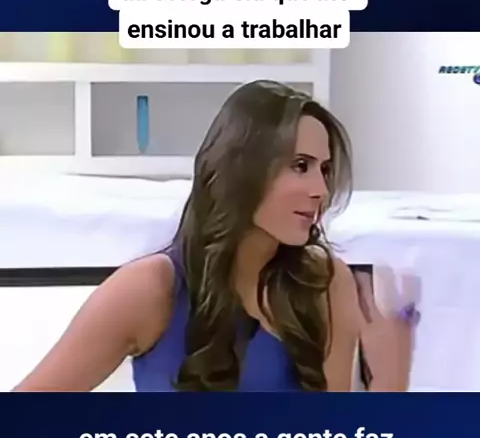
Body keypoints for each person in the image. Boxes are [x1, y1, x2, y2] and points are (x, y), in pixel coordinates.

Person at [13, 80, 419, 393]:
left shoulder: (325, 283)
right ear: (241, 168)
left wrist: (390, 379)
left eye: (324, 170)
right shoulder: (150, 289)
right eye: (300, 166)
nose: (320, 190)